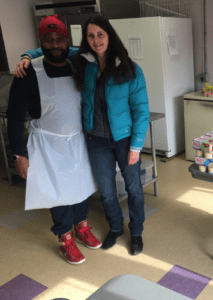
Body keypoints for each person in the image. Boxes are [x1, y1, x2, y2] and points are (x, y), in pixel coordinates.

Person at [16, 15, 150, 255]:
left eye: (100, 34)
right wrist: (27, 56)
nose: (96, 40)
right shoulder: (82, 62)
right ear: (85, 40)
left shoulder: (130, 69)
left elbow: (141, 110)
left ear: (109, 35)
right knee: (107, 192)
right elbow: (51, 46)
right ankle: (116, 228)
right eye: (91, 36)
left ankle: (137, 232)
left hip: (125, 140)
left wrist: (136, 146)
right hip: (95, 141)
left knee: (133, 188)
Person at [7, 15, 101, 265]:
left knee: (81, 185)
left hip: (77, 140)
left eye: (60, 38)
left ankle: (81, 226)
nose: (55, 44)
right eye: (49, 39)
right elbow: (15, 117)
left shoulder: (75, 61)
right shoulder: (28, 71)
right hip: (47, 144)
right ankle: (65, 237)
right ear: (41, 42)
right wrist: (19, 154)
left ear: (67, 40)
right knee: (56, 193)